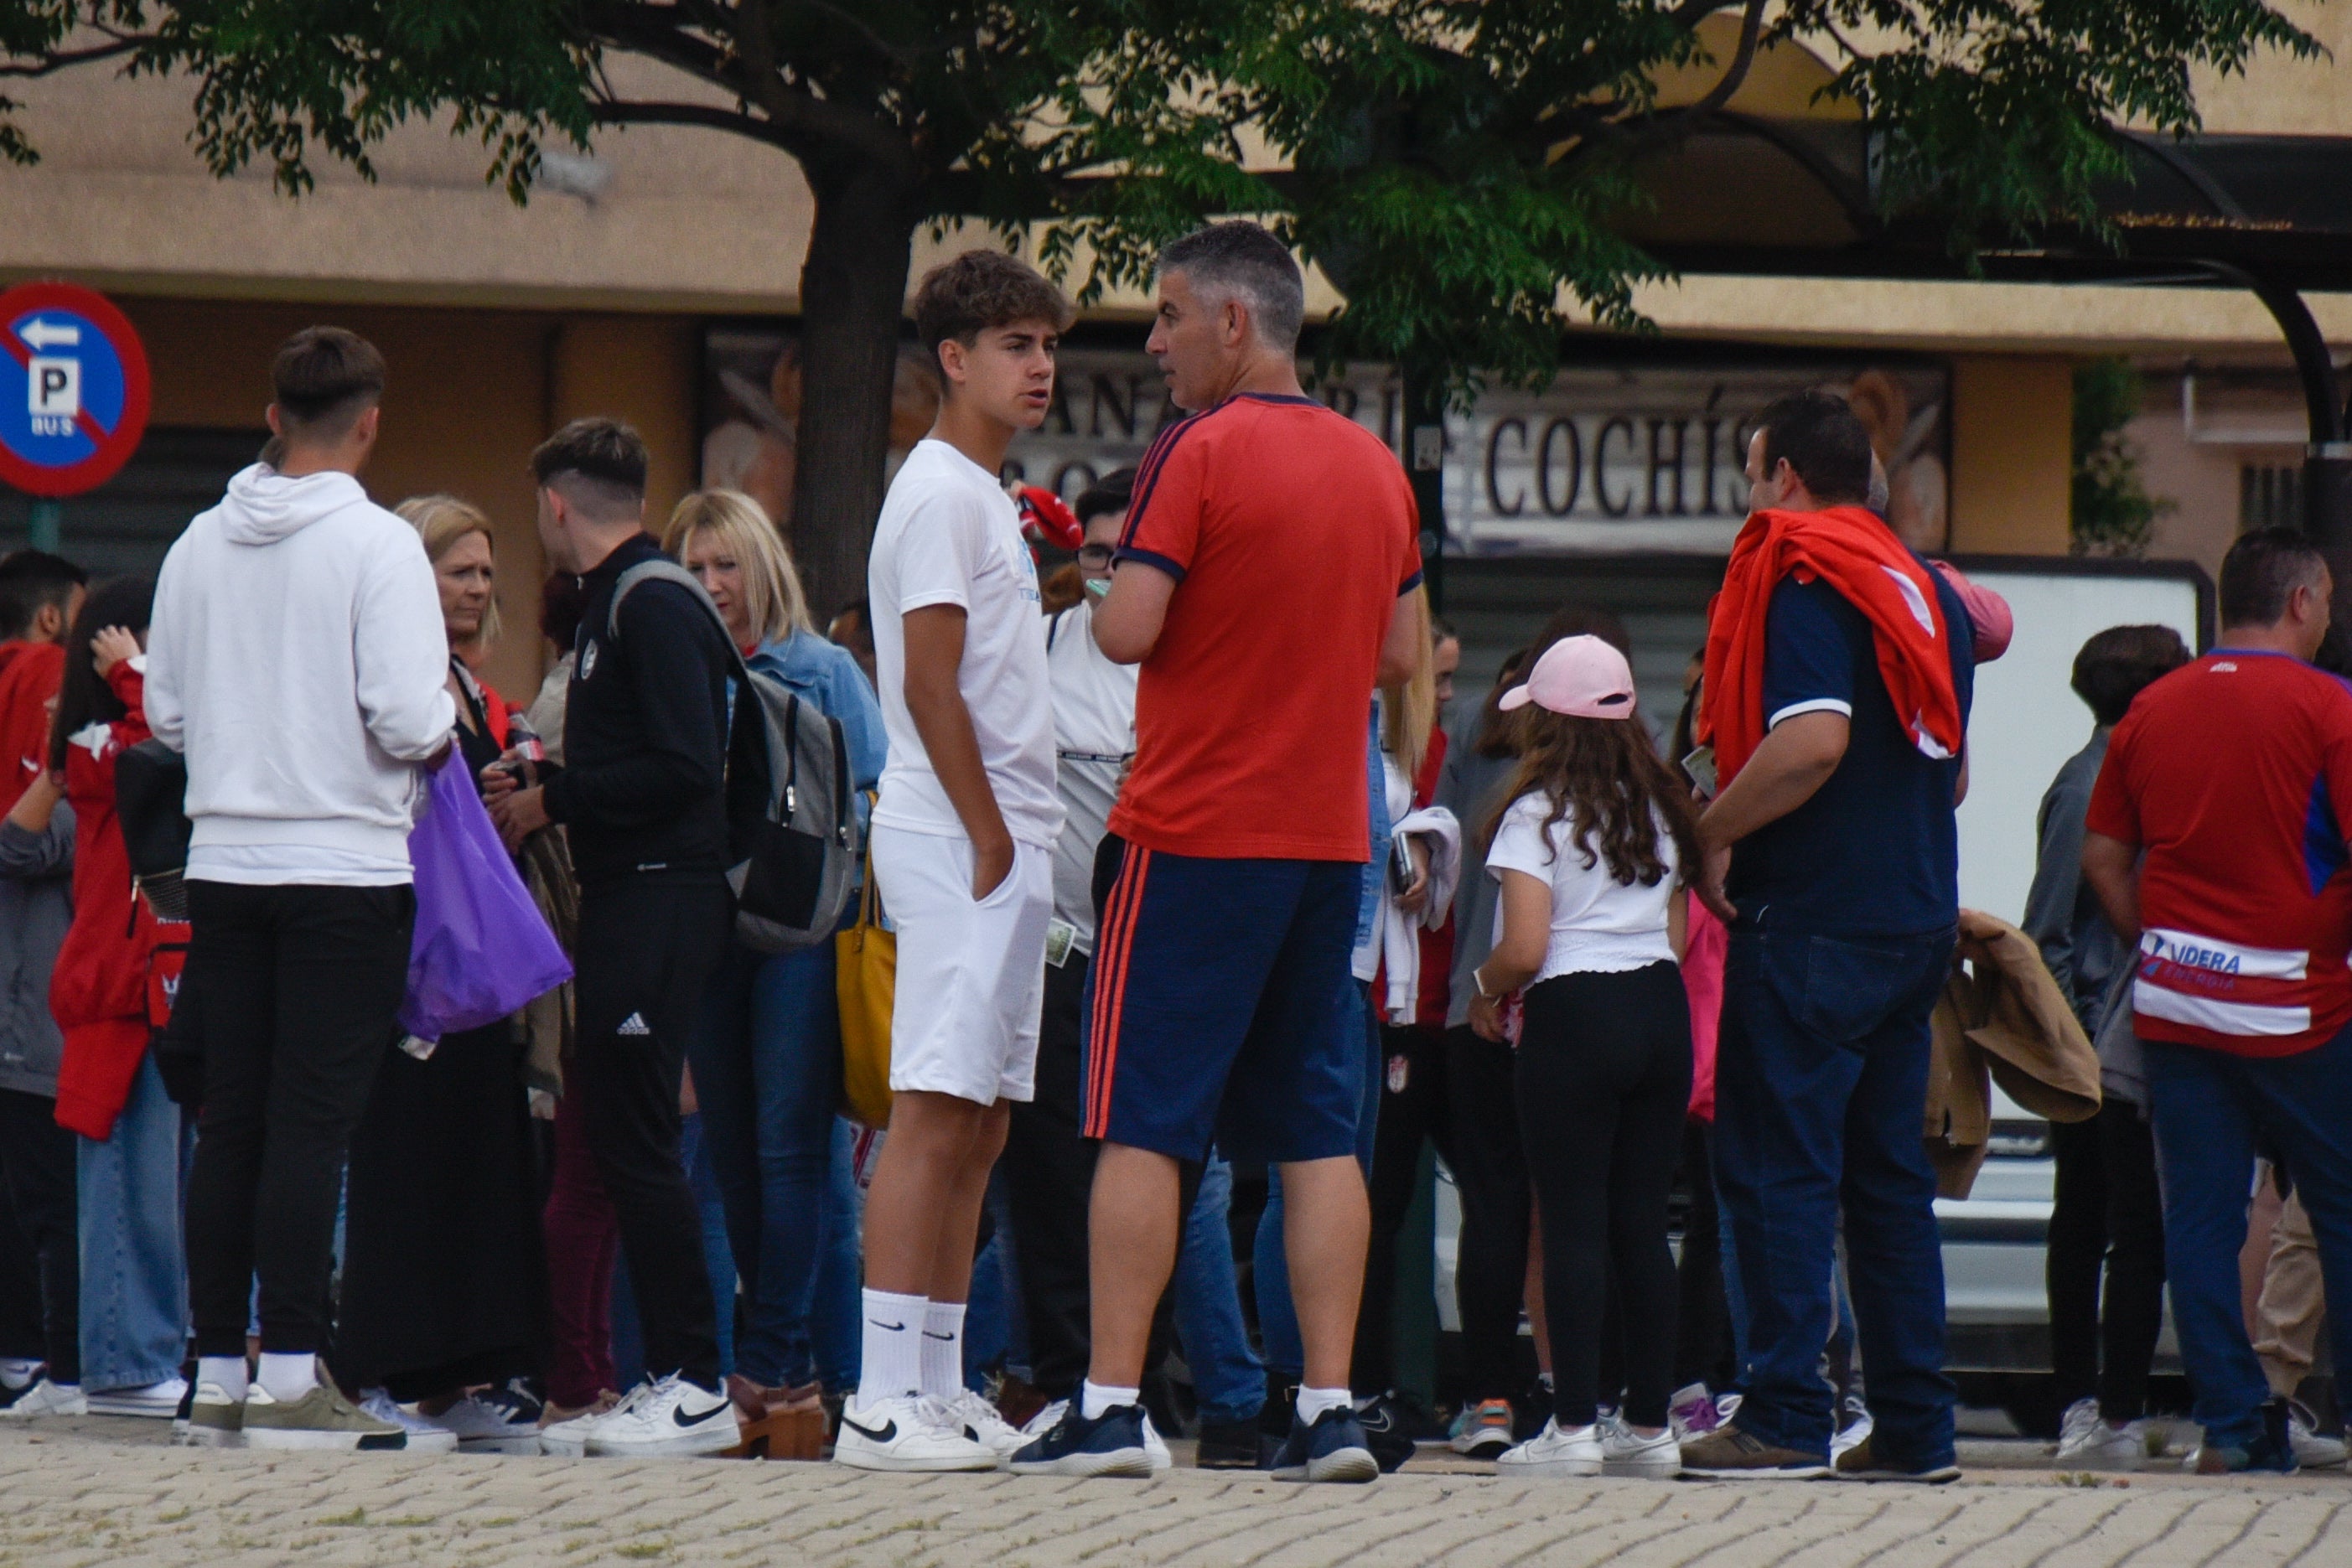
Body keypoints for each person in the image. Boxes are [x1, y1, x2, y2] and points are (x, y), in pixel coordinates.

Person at [1013, 220, 1422, 1484]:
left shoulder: (1195, 447)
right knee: (1314, 1129)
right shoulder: (1375, 467)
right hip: (1323, 843)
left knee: (1144, 1119)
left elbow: (1129, 632)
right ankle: (1332, 1406)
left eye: (1167, 315)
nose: (1154, 341)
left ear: (1233, 324)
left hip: (1191, 832)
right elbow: (1403, 657)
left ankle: (1111, 1406)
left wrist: (1080, 574)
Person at [149, 327, 457, 1452]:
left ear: (273, 415)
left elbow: (167, 716)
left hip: (224, 868)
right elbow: (411, 717)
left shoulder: (194, 544)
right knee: (310, 1127)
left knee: (229, 1122)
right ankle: (292, 1369)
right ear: (367, 422)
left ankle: (217, 1368)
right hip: (344, 868)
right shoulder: (379, 548)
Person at [1683, 390, 1974, 1483]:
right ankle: (1912, 1428)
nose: (1750, 501)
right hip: (1910, 919)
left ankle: (1784, 1416)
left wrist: (1708, 833)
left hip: (1809, 921)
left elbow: (1809, 739)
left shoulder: (1802, 569)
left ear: (1786, 477)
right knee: (1887, 1182)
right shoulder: (1922, 590)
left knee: (1775, 1174)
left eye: (1753, 475)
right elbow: (1948, 770)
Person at [835, 250, 1069, 1474]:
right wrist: (985, 831)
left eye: (1046, 344)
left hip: (1006, 835)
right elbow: (926, 681)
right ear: (955, 359)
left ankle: (935, 1375)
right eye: (1017, 345)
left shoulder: (983, 492)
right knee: (930, 1107)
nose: (1040, 366)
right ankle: (878, 1396)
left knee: (979, 1120)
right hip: (954, 832)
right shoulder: (935, 491)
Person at [484, 418, 740, 1457]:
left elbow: (688, 766)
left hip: (662, 899)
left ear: (555, 504)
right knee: (626, 1142)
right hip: (633, 897)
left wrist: (557, 800)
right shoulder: (617, 603)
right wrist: (553, 788)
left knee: (639, 1144)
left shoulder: (649, 601)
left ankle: (693, 1380)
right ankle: (676, 1376)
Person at [2080, 527, 2352, 1474]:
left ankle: (2234, 1426)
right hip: (2300, 1008)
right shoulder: (2332, 709)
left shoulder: (2151, 710)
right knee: (2341, 1204)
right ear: (2301, 600)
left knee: (2198, 1217)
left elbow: (2104, 856)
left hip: (2177, 1007)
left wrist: (2158, 941)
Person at [329, 495, 551, 1453]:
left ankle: (461, 1370)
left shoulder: (468, 680)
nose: (475, 587)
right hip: (402, 958)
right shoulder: (384, 675)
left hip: (470, 977)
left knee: (475, 1159)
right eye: (454, 568)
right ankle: (372, 1366)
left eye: (484, 572)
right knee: (397, 1162)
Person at [665, 488, 883, 1413]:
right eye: (696, 567)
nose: (714, 584)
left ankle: (775, 1357)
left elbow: (876, 790)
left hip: (803, 930)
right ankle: (782, 1361)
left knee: (793, 1147)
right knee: (736, 1149)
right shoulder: (673, 664)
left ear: (764, 567)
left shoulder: (823, 666)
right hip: (705, 931)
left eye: (727, 564)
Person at [1462, 635, 1696, 1478]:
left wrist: (1484, 988)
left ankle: (1570, 1429)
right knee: (1641, 1223)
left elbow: (1523, 944)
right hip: (1658, 1012)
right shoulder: (1665, 805)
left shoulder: (1533, 811)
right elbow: (1673, 929)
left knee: (1569, 1224)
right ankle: (1648, 1426)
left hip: (1572, 1013)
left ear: (1548, 723)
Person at [20, 579, 192, 1424]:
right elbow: (167, 746)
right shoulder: (97, 743)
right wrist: (135, 674)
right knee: (131, 1185)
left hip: (157, 983)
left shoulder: (123, 731)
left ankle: (148, 1350)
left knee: (162, 1186)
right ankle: (127, 1361)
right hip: (120, 989)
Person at [2024, 624, 2189, 1467]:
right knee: (2087, 1223)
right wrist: (2077, 1045)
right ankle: (2080, 1399)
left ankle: (2106, 1401)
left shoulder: (2132, 776)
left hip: (2134, 1034)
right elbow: (2046, 930)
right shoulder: (2087, 785)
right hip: (2096, 1045)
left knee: (2121, 1225)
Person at [0, 551, 85, 1415]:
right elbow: (38, 838)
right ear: (57, 618)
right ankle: (53, 1357)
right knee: (55, 1191)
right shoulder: (48, 682)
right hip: (39, 979)